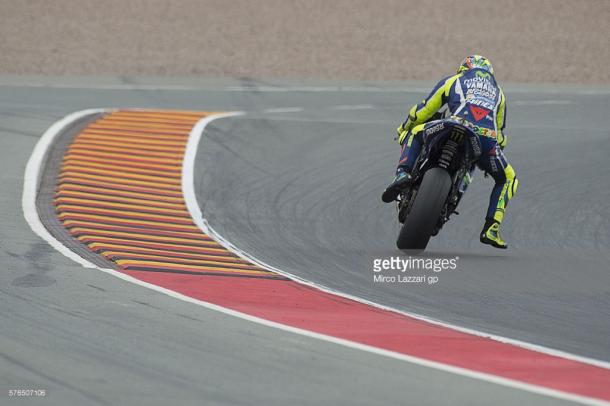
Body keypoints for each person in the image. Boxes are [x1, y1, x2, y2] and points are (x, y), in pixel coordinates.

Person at [381, 55, 518, 249]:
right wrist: (493, 153)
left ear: (464, 68)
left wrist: (403, 128)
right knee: (509, 178)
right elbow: (501, 135)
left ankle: (402, 173)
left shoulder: (454, 80)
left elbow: (423, 110)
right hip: (485, 138)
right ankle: (492, 227)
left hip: (452, 124)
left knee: (415, 133)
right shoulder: (499, 93)